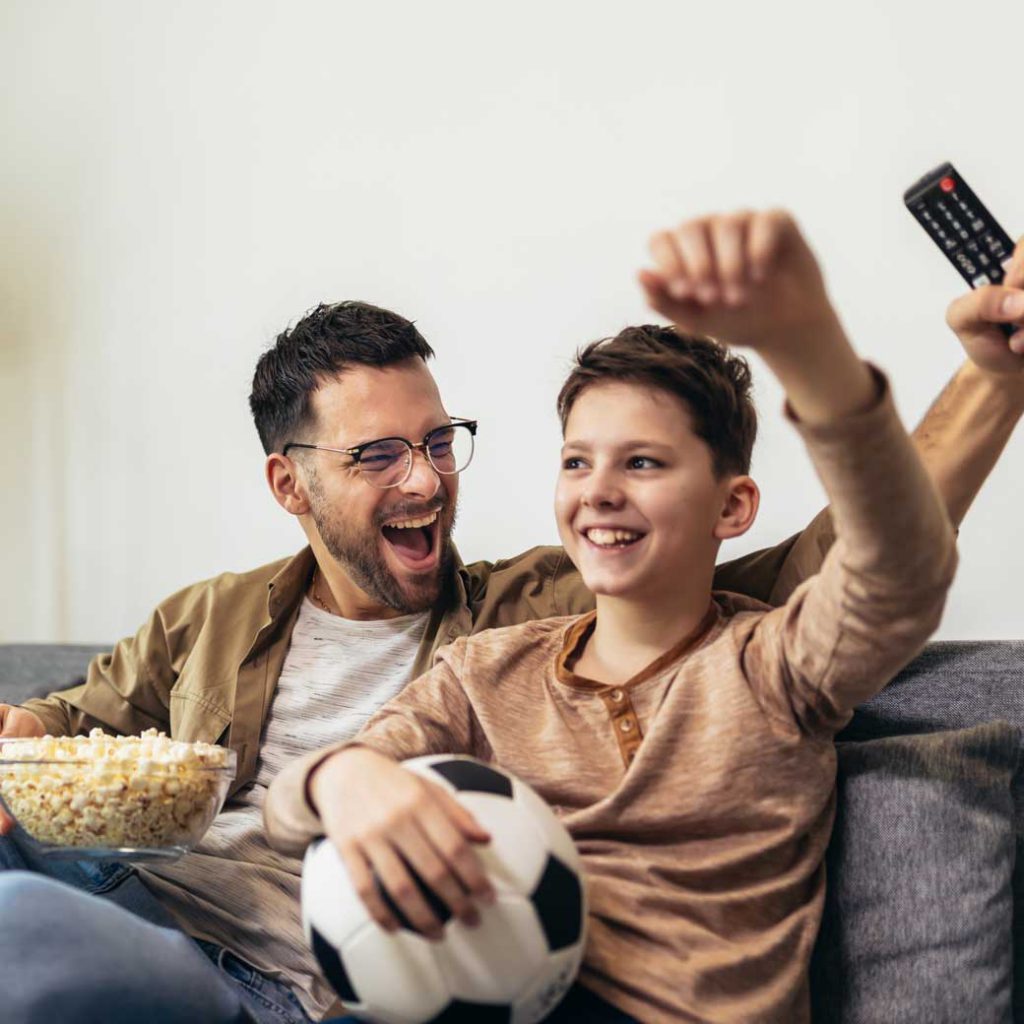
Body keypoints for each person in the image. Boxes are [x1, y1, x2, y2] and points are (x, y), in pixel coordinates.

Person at [0, 223, 1022, 1024]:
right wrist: (29, 737)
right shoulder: (214, 617)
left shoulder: (543, 611)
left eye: (438, 440)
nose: (425, 479)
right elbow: (78, 714)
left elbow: (853, 566)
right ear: (289, 483)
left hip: (290, 952)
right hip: (146, 889)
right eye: (374, 456)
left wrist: (982, 377)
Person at [260, 206, 962, 1023]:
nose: (599, 489)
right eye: (576, 462)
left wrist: (810, 351)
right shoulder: (485, 672)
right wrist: (341, 777)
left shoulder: (779, 666)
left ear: (731, 506)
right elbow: (290, 811)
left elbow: (899, 570)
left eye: (642, 463)